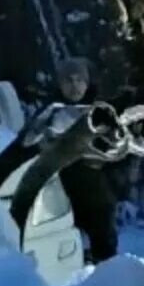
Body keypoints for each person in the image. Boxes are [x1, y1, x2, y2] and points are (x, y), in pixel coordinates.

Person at [53, 56, 120, 264]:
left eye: (79, 80)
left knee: (104, 246)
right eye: (68, 80)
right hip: (61, 191)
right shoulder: (52, 112)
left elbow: (116, 146)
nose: (74, 86)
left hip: (97, 192)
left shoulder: (100, 111)